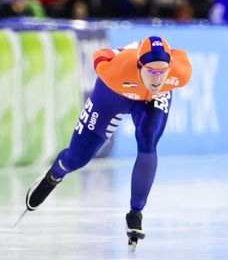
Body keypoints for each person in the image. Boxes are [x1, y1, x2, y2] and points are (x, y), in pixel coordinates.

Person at [23, 36, 193, 247]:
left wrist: (160, 65)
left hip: (151, 100)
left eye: (162, 72)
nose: (157, 79)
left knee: (148, 140)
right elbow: (100, 55)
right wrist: (121, 52)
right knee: (77, 159)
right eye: (151, 71)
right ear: (139, 65)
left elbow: (175, 56)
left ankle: (135, 213)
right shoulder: (114, 71)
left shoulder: (180, 73)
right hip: (112, 95)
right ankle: (53, 176)